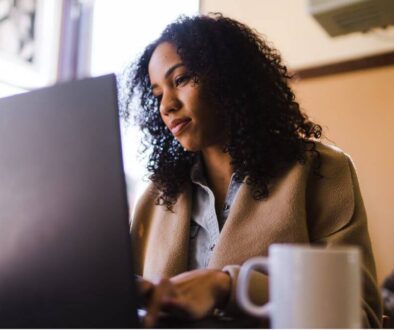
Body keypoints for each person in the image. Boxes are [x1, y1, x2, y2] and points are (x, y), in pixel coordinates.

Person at [121, 13, 382, 328]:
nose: (167, 106)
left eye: (181, 79)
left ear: (228, 77)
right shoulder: (156, 197)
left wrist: (231, 286)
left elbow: (359, 318)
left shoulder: (321, 172)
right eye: (158, 94)